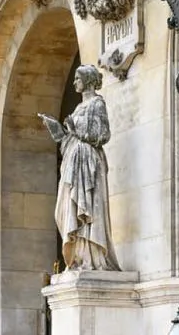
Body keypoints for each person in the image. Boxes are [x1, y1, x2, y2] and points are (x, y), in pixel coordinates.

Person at [40, 64, 120, 271]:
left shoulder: (97, 104)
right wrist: (59, 132)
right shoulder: (78, 108)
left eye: (78, 78)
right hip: (73, 163)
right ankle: (77, 257)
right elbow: (70, 140)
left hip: (88, 163)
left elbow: (103, 135)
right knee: (64, 209)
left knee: (87, 210)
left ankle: (91, 258)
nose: (75, 81)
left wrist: (76, 131)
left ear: (88, 80)